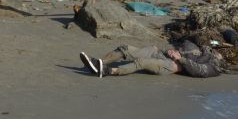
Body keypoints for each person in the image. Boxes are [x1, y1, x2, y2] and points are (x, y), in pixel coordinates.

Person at [79, 41, 221, 79]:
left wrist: (180, 58)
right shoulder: (202, 48)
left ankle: (108, 71)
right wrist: (171, 50)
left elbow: (198, 71)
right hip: (163, 54)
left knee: (141, 62)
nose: (217, 51)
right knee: (126, 48)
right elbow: (180, 48)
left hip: (172, 66)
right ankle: (99, 62)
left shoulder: (213, 66)